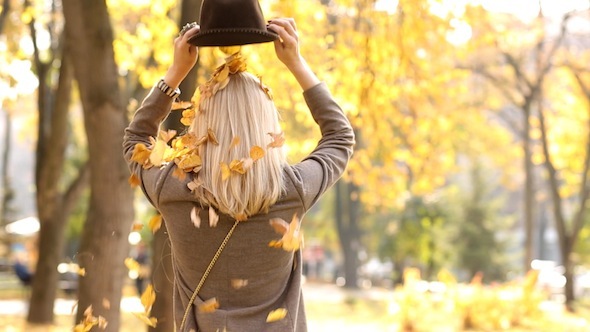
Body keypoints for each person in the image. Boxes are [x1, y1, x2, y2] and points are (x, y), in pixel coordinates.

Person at [123, 17, 354, 332]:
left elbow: (135, 142)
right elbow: (340, 138)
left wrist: (175, 74)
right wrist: (296, 63)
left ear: (202, 124)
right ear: (267, 125)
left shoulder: (172, 190)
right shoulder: (291, 190)